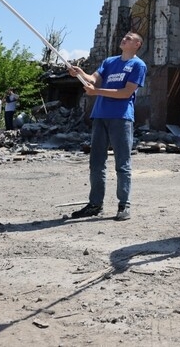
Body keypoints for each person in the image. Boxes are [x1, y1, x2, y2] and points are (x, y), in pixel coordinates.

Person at [67, 32, 147, 222]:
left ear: (137, 44)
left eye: (129, 38)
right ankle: (95, 204)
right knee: (96, 162)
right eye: (124, 37)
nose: (124, 39)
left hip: (121, 117)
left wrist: (97, 91)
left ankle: (124, 205)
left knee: (122, 163)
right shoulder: (109, 62)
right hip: (100, 115)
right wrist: (80, 73)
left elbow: (126, 92)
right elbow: (92, 79)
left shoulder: (138, 65)